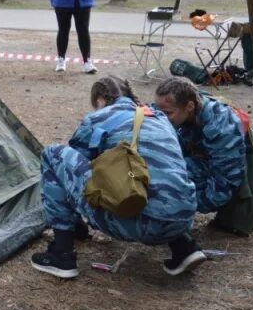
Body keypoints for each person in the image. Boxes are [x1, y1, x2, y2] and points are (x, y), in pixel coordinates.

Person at [32, 76, 201, 280]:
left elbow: (72, 176)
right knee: (157, 177)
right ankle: (184, 247)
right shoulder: (160, 118)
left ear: (101, 101)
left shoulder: (98, 118)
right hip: (183, 218)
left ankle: (61, 254)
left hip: (138, 223)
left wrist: (75, 222)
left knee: (54, 155)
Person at [153, 77, 253, 231]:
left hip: (238, 170)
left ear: (189, 106)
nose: (162, 118)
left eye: (168, 113)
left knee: (172, 173)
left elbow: (226, 181)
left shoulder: (219, 126)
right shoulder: (187, 105)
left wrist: (184, 205)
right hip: (210, 157)